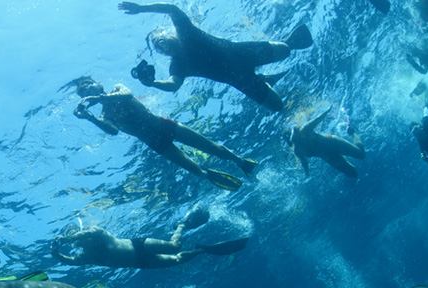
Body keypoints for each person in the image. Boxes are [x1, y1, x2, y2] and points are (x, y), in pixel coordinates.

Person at [118, 2, 313, 111]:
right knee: (278, 107)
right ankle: (263, 80)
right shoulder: (177, 65)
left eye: (162, 41)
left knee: (286, 50)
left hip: (244, 53)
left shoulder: (186, 32)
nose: (163, 47)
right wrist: (152, 83)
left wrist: (141, 8)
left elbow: (172, 9)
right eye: (160, 49)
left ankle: (278, 57)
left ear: (169, 35)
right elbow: (174, 85)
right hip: (239, 79)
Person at [73, 77, 256, 191]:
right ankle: (209, 175)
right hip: (154, 142)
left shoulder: (116, 88)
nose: (88, 90)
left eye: (89, 85)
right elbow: (112, 131)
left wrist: (100, 98)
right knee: (195, 170)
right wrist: (90, 118)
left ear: (98, 84)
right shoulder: (105, 115)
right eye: (83, 92)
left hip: (164, 125)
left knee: (211, 147)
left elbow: (128, 94)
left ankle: (241, 162)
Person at [51, 206, 248, 268]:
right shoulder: (89, 256)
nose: (77, 240)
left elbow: (91, 232)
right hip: (140, 263)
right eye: (74, 239)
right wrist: (56, 254)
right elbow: (71, 262)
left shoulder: (97, 234)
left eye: (75, 236)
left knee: (174, 247)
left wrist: (67, 239)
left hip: (140, 246)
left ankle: (181, 225)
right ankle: (202, 249)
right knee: (177, 260)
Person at [287, 106, 366, 178]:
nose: (298, 140)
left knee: (361, 154)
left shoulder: (305, 130)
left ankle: (352, 132)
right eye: (295, 141)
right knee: (352, 173)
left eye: (297, 137)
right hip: (330, 157)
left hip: (334, 143)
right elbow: (304, 163)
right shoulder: (298, 151)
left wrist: (328, 110)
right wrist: (307, 174)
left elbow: (318, 119)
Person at [410, 101, 428, 167]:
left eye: (416, 130)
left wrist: (425, 106)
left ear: (421, 128)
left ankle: (426, 105)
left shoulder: (426, 124)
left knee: (427, 112)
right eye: (415, 134)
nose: (418, 134)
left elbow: (426, 113)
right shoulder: (423, 146)